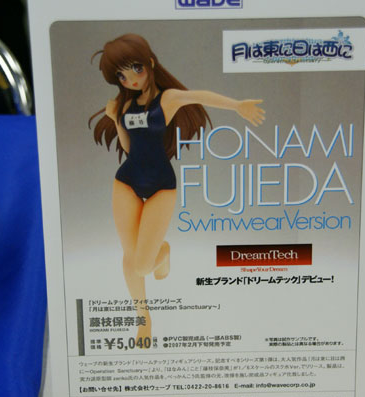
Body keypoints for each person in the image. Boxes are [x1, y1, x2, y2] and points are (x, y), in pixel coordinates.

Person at [90, 33, 265, 341]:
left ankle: (163, 250)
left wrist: (237, 105)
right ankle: (143, 318)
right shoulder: (126, 103)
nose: (131, 79)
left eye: (136, 68)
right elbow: (129, 148)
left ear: (150, 63)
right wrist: (116, 119)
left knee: (143, 265)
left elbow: (199, 96)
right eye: (122, 75)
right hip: (126, 182)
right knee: (130, 257)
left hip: (161, 186)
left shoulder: (167, 99)